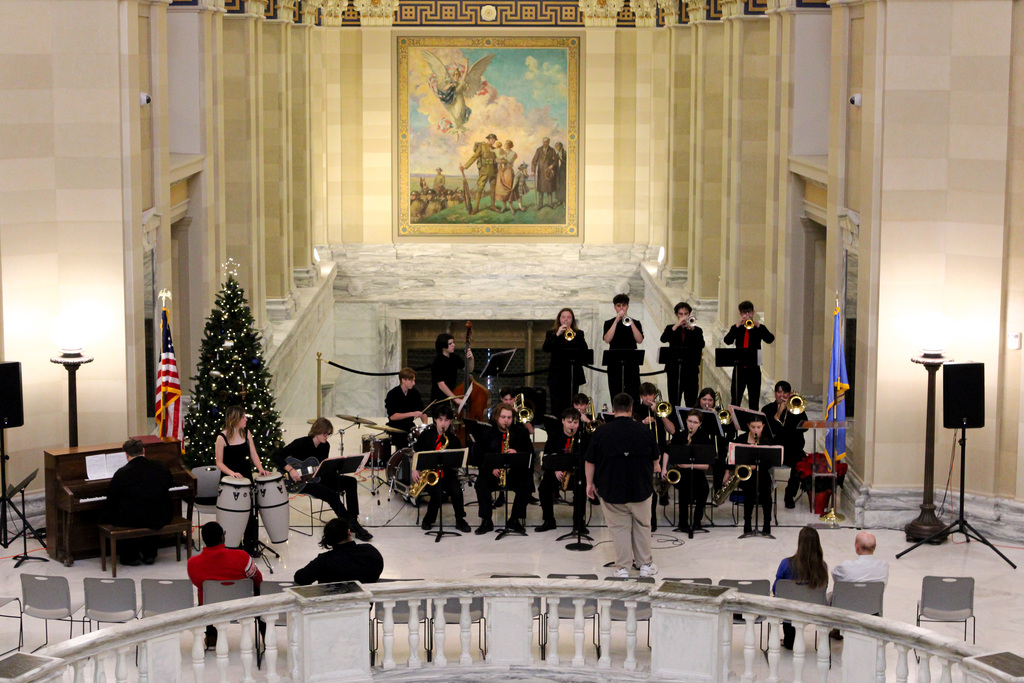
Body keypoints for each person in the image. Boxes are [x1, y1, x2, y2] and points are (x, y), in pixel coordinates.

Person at [585, 393, 661, 578]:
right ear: (632, 408)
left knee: (619, 529)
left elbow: (590, 461)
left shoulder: (601, 432)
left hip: (611, 489)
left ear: (613, 409)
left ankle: (622, 568)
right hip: (640, 489)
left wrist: (590, 484)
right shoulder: (645, 431)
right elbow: (656, 460)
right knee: (642, 526)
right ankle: (644, 565)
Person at [272, 418, 372, 542]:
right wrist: (290, 470)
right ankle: (353, 526)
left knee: (350, 482)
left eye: (329, 434)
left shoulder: (325, 446)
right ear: (317, 430)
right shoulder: (301, 443)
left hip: (318, 478)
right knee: (332, 495)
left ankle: (353, 520)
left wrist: (337, 466)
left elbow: (322, 468)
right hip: (302, 482)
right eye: (325, 433)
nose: (327, 436)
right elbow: (276, 455)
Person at [188, 522, 263, 649]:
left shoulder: (193, 563)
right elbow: (258, 579)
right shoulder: (242, 556)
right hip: (242, 607)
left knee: (205, 593)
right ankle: (266, 636)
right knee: (258, 591)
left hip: (211, 608)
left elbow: (197, 583)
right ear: (222, 537)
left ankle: (212, 636)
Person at [105, 438, 172, 566]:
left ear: (126, 455)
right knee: (151, 508)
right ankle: (149, 553)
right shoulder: (160, 466)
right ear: (144, 451)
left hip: (132, 518)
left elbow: (112, 498)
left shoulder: (121, 473)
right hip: (159, 515)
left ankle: (129, 556)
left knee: (113, 513)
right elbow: (169, 484)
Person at [215, 405, 270, 552]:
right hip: (230, 480)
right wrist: (231, 473)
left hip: (246, 477)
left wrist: (260, 469)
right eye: (243, 417)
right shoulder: (221, 437)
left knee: (250, 511)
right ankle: (233, 543)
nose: (246, 419)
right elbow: (219, 462)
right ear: (235, 419)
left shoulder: (246, 433)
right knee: (233, 513)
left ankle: (250, 544)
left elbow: (253, 454)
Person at [474, 402, 534, 535]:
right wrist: (491, 469)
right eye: (503, 417)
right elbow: (479, 456)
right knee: (481, 484)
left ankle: (514, 519)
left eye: (509, 418)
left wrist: (517, 454)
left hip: (514, 472)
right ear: (496, 417)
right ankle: (486, 520)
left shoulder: (521, 432)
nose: (506, 421)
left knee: (527, 484)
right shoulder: (487, 432)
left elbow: (530, 455)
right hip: (493, 473)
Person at [412, 404, 472, 533]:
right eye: (440, 420)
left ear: (450, 421)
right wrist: (414, 470)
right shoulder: (426, 436)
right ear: (435, 420)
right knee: (436, 494)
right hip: (430, 475)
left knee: (456, 491)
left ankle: (460, 520)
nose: (443, 423)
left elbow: (457, 463)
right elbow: (415, 453)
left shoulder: (454, 440)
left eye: (446, 420)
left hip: (448, 474)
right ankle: (429, 519)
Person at [773, 526, 828, 650]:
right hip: (812, 607)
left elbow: (777, 588)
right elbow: (824, 587)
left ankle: (789, 639)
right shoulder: (822, 566)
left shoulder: (786, 564)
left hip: (789, 608)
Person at [536, 407, 589, 534]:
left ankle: (578, 522)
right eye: (569, 422)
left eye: (575, 423)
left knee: (581, 488)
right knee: (544, 488)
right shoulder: (554, 437)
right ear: (563, 421)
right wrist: (555, 469)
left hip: (576, 473)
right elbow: (547, 459)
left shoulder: (583, 438)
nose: (573, 425)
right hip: (557, 473)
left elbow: (588, 458)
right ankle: (549, 520)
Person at [293, 517, 384, 586]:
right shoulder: (370, 552)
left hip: (331, 609)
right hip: (363, 608)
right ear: (349, 532)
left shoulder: (323, 561)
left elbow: (300, 578)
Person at [762, 380, 807, 509]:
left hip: (792, 449)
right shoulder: (767, 409)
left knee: (800, 465)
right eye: (779, 392)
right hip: (774, 448)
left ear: (790, 394)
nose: (782, 395)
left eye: (785, 392)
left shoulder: (796, 409)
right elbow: (770, 430)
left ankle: (789, 495)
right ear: (775, 393)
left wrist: (795, 411)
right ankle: (764, 493)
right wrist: (779, 413)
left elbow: (805, 427)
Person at [664, 410, 711, 534]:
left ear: (700, 423)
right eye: (690, 421)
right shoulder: (680, 436)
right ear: (686, 421)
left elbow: (706, 466)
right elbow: (667, 451)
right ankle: (683, 522)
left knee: (704, 488)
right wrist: (664, 468)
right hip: (682, 473)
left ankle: (697, 521)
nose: (691, 425)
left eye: (695, 422)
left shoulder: (704, 438)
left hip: (697, 473)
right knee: (684, 488)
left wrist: (688, 464)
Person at [723, 300, 775, 409]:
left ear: (753, 312)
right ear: (740, 314)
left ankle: (753, 424)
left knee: (754, 401)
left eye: (749, 312)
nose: (747, 315)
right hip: (739, 370)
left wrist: (758, 325)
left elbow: (770, 339)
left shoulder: (758, 328)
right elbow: (727, 340)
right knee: (735, 400)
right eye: (744, 313)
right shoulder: (736, 328)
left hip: (754, 370)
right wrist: (737, 325)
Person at [637, 382, 674, 530]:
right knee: (648, 490)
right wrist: (642, 422)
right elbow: (630, 427)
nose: (647, 398)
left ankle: (663, 494)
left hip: (660, 452)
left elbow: (672, 430)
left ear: (655, 395)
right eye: (644, 395)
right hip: (643, 453)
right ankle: (650, 520)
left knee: (657, 488)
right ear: (640, 397)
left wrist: (661, 415)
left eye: (650, 395)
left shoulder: (661, 408)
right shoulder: (637, 409)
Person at [731, 413, 774, 536]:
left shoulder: (767, 440)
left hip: (763, 472)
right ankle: (747, 524)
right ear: (748, 426)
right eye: (753, 427)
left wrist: (757, 466)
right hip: (746, 474)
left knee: (766, 493)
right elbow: (734, 455)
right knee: (749, 493)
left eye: (759, 427)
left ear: (763, 426)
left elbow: (770, 461)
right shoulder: (741, 439)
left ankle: (767, 525)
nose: (756, 430)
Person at [542, 307, 589, 417]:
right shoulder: (551, 333)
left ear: (572, 319)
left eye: (569, 317)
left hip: (572, 375)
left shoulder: (578, 333)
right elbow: (546, 348)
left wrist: (575, 336)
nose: (566, 320)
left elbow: (585, 351)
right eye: (563, 317)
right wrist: (557, 334)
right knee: (556, 406)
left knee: (571, 404)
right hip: (556, 376)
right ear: (559, 319)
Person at [660, 302, 705, 408]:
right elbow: (663, 339)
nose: (683, 317)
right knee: (674, 400)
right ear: (677, 315)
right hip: (674, 370)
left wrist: (692, 329)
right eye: (681, 314)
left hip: (691, 371)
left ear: (689, 314)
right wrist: (677, 325)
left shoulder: (697, 330)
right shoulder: (671, 328)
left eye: (686, 314)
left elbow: (701, 344)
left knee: (691, 401)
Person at [603, 293, 645, 402]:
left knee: (633, 393)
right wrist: (616, 321)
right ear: (614, 307)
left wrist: (630, 323)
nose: (621, 308)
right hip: (614, 364)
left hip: (632, 364)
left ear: (627, 306)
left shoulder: (635, 322)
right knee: (615, 393)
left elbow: (639, 340)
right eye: (618, 306)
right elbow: (607, 339)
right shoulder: (609, 323)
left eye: (624, 305)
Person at [696, 387, 735, 491]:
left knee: (720, 462)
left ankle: (718, 490)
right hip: (699, 447)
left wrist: (715, 416)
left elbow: (731, 431)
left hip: (716, 447)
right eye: (704, 399)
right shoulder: (695, 412)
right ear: (699, 399)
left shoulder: (720, 413)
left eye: (710, 400)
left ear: (714, 401)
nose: (707, 403)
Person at [385, 367, 426, 449]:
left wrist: (424, 425)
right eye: (411, 381)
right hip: (395, 428)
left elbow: (423, 412)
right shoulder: (392, 394)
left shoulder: (414, 393)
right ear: (403, 380)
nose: (414, 383)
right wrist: (412, 413)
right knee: (402, 445)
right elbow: (393, 416)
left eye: (414, 380)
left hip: (409, 427)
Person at [460, 133, 499, 212]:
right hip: (484, 171)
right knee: (480, 189)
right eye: (492, 139)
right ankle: (476, 208)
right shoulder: (482, 146)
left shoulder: (495, 149)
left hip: (493, 171)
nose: (493, 141)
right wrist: (465, 166)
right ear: (489, 139)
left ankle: (493, 206)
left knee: (493, 189)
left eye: (494, 140)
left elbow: (498, 160)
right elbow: (474, 156)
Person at [430, 333, 473, 403]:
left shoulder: (454, 357)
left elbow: (469, 370)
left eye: (453, 342)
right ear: (443, 346)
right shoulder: (437, 361)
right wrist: (455, 399)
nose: (453, 345)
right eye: (450, 343)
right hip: (440, 398)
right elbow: (441, 385)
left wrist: (471, 358)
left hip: (452, 394)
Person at [531, 137, 559, 208]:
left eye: (546, 142)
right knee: (541, 189)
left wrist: (552, 165)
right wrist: (533, 170)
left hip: (549, 173)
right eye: (543, 142)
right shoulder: (539, 150)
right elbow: (534, 161)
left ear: (548, 142)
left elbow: (556, 160)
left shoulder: (552, 150)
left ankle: (550, 204)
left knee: (549, 188)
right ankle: (540, 204)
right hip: (541, 172)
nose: (544, 143)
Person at [494, 139, 517, 213]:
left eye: (506, 144)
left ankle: (511, 207)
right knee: (502, 189)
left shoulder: (513, 153)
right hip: (502, 172)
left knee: (509, 188)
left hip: (508, 171)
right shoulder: (501, 151)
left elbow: (510, 161)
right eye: (505, 144)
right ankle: (504, 206)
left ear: (510, 145)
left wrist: (504, 158)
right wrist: (501, 161)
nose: (505, 145)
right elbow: (496, 160)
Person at [553, 141, 567, 207]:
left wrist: (561, 159)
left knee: (563, 186)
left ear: (561, 146)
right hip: (558, 173)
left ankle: (564, 201)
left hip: (563, 172)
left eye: (558, 146)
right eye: (556, 147)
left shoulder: (565, 153)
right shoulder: (556, 154)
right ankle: (559, 201)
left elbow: (568, 162)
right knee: (558, 186)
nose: (557, 148)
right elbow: (555, 163)